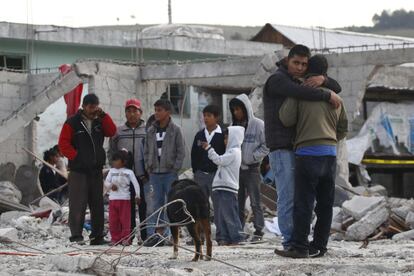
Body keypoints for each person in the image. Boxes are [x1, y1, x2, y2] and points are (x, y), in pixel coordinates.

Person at [263, 44, 342, 249]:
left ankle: (299, 241)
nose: (299, 67)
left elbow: (337, 87)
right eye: (295, 62)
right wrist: (326, 94)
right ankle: (290, 241)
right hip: (282, 147)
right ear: (287, 60)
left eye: (303, 64)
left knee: (301, 200)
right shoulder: (278, 80)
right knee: (289, 197)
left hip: (299, 149)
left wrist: (324, 81)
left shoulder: (296, 81)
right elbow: (299, 91)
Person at [58, 93, 116, 245]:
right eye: (91, 107)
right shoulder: (72, 122)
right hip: (78, 171)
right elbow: (63, 144)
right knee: (78, 204)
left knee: (97, 204)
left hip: (96, 170)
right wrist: (77, 157)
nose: (93, 110)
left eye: (96, 107)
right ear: (83, 106)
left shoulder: (99, 122)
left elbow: (112, 131)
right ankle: (76, 236)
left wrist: (104, 116)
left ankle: (97, 237)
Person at [144, 99, 186, 246]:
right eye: (155, 110)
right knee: (156, 204)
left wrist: (175, 168)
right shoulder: (150, 131)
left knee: (171, 204)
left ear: (168, 112)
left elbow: (181, 151)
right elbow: (147, 150)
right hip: (155, 173)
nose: (156, 113)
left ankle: (171, 236)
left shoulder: (176, 130)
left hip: (170, 173)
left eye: (159, 110)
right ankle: (157, 236)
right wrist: (149, 166)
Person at [229, 94, 269, 242]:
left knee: (255, 201)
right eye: (233, 110)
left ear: (245, 109)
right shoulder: (234, 127)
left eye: (238, 109)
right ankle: (239, 230)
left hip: (252, 169)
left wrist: (253, 157)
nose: (235, 113)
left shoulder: (258, 125)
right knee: (238, 201)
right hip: (237, 170)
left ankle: (259, 230)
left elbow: (266, 145)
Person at [109, 99, 147, 242]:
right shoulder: (118, 132)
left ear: (140, 113)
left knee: (144, 206)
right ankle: (127, 237)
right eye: (128, 111)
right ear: (125, 113)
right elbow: (111, 152)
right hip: (123, 178)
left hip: (142, 176)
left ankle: (145, 236)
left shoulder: (147, 130)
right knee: (126, 210)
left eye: (134, 111)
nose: (131, 114)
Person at [202, 126, 245, 246]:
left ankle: (237, 237)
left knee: (229, 214)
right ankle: (224, 238)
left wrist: (209, 149)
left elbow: (219, 160)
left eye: (227, 138)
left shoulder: (234, 152)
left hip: (228, 188)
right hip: (221, 187)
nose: (225, 141)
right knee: (220, 215)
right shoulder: (230, 152)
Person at [105, 150, 141, 246]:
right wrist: (111, 185)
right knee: (113, 220)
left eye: (116, 160)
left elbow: (136, 184)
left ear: (124, 161)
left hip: (125, 199)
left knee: (125, 220)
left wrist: (137, 195)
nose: (114, 162)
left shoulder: (129, 172)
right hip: (113, 199)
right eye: (113, 160)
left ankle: (126, 239)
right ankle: (115, 239)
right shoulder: (111, 171)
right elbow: (106, 182)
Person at [191, 104, 225, 200]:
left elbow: (224, 155)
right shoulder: (199, 135)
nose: (206, 118)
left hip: (216, 175)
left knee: (218, 202)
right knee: (201, 202)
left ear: (217, 117)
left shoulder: (223, 135)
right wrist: (196, 171)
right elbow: (194, 154)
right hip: (200, 175)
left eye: (209, 116)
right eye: (204, 115)